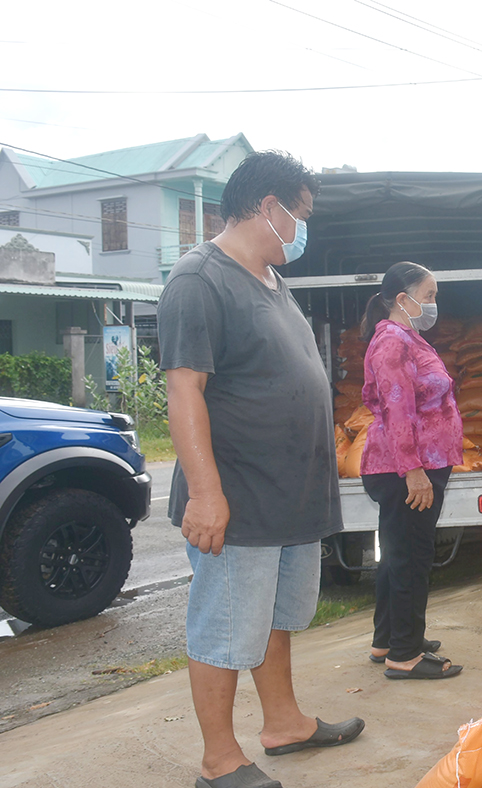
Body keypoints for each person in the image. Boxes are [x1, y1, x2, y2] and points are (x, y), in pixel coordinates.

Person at [159, 151, 364, 788]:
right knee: (224, 627)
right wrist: (206, 493)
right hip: (238, 497)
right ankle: (218, 762)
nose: (303, 231)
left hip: (288, 498)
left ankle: (284, 722)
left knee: (275, 616)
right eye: (299, 216)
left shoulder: (274, 283)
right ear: (268, 207)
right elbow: (184, 390)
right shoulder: (200, 279)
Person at [359, 262, 464, 680]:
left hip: (414, 465)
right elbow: (397, 409)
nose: (435, 303)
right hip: (407, 468)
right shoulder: (392, 343)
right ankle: (404, 656)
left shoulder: (407, 338)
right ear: (403, 300)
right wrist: (413, 471)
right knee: (410, 558)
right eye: (430, 295)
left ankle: (389, 638)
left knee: (398, 554)